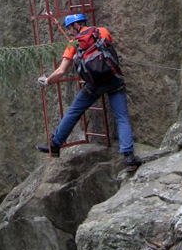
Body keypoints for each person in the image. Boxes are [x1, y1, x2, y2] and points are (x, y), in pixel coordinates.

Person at [36, 14, 141, 173]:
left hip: (94, 85)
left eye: (70, 29)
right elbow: (109, 50)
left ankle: (55, 145)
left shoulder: (73, 43)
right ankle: (129, 158)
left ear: (75, 26)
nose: (70, 33)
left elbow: (61, 70)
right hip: (113, 79)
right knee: (121, 117)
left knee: (74, 111)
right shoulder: (102, 31)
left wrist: (48, 80)